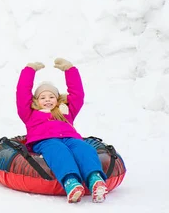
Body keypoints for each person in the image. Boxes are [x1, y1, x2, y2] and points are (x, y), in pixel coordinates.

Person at [16, 58, 109, 203]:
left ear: (57, 99)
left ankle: (95, 179)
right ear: (36, 100)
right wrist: (29, 70)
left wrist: (69, 70)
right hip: (45, 141)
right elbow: (22, 94)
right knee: (59, 151)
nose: (47, 100)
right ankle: (71, 182)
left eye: (51, 96)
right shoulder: (30, 113)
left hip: (70, 138)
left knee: (84, 149)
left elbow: (78, 94)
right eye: (43, 97)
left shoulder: (65, 111)